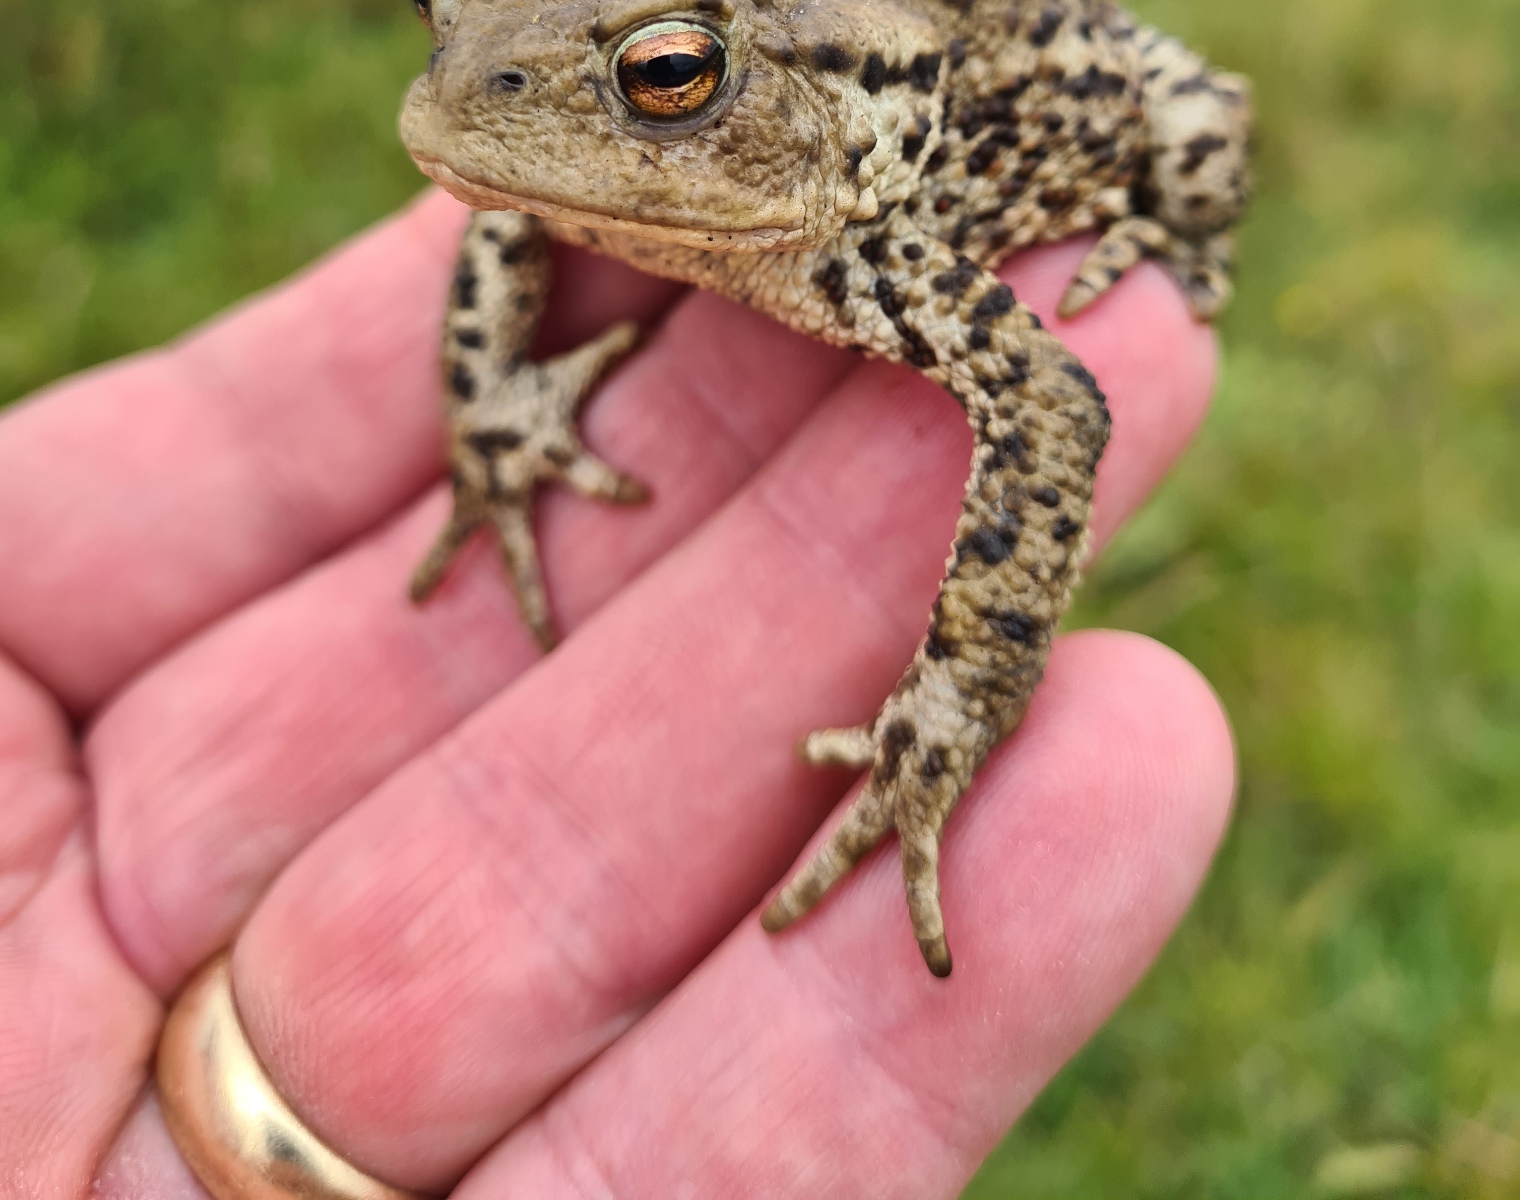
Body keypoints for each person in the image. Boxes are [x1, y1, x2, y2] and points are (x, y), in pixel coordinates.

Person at [0, 189, 1233, 1199]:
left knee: (1179, 141)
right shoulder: (559, 140)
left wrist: (959, 697)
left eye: (659, 83)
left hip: (895, 72)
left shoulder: (868, 221)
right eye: (442, 6)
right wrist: (490, 404)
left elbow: (1047, 399)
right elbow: (507, 168)